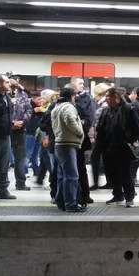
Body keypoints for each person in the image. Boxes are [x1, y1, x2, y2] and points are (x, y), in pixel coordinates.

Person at [97, 87, 139, 208]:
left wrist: (131, 140)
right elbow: (101, 127)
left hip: (124, 146)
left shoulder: (129, 109)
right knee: (112, 173)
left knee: (126, 173)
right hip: (109, 147)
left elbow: (137, 128)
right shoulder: (106, 110)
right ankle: (117, 194)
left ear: (116, 97)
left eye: (108, 96)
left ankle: (129, 197)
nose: (106, 99)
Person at [51, 84, 85, 212]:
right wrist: (79, 132)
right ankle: (71, 204)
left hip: (59, 143)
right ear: (72, 95)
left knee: (62, 175)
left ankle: (61, 201)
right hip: (68, 143)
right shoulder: (68, 107)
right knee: (72, 176)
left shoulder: (56, 106)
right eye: (75, 94)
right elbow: (70, 120)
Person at [71, 77, 96, 203]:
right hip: (68, 140)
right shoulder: (66, 101)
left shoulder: (87, 100)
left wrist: (81, 130)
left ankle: (85, 194)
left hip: (80, 139)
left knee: (81, 167)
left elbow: (89, 118)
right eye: (79, 83)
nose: (82, 85)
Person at [7, 71, 33, 191]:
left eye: (18, 78)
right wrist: (12, 123)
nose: (16, 80)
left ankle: (20, 183)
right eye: (13, 78)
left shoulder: (23, 94)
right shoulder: (1, 94)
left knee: (20, 157)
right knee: (1, 157)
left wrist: (23, 121)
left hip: (20, 130)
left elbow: (29, 110)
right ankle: (0, 183)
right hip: (5, 131)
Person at [0, 74, 16, 200]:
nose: (10, 84)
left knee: (3, 165)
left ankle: (2, 190)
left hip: (6, 135)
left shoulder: (7, 97)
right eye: (7, 82)